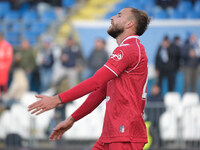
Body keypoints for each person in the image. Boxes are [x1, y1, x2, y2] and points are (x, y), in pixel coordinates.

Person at [28, 7, 150, 150]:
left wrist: (57, 99)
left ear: (130, 24)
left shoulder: (129, 48)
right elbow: (100, 91)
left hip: (125, 134)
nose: (112, 18)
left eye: (119, 15)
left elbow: (95, 81)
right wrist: (72, 119)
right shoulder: (129, 49)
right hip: (111, 134)